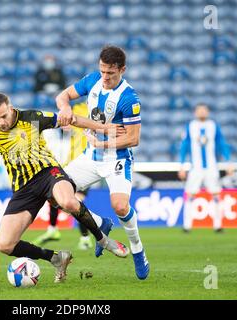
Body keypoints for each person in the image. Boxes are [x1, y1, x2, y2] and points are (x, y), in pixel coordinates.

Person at [0, 73, 130, 283]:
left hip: (49, 173)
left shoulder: (32, 117)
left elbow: (73, 119)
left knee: (67, 201)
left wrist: (106, 128)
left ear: (10, 108)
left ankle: (104, 240)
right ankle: (56, 258)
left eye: (4, 116)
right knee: (4, 245)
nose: (1, 122)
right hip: (23, 187)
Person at [55, 45, 150, 280]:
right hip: (90, 157)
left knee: (120, 206)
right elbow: (62, 96)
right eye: (103, 71)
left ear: (122, 70)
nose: (105, 78)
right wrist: (65, 109)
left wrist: (102, 145)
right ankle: (100, 224)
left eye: (111, 73)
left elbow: (133, 138)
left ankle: (138, 251)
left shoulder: (129, 98)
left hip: (117, 159)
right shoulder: (93, 80)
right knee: (55, 193)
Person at [32, 102, 94, 250]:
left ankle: (85, 237)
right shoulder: (68, 131)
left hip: (85, 167)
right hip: (68, 167)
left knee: (75, 201)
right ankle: (53, 230)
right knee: (53, 195)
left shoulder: (89, 115)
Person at [178, 104, 234, 233]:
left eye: (204, 110)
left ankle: (218, 225)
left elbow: (222, 144)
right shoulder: (191, 126)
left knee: (216, 194)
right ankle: (187, 226)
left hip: (211, 167)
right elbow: (184, 146)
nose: (202, 112)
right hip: (195, 168)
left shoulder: (213, 126)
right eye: (199, 110)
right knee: (190, 194)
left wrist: (229, 162)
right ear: (195, 112)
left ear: (208, 112)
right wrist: (181, 166)